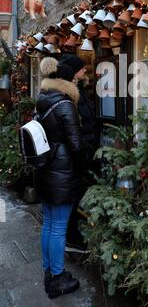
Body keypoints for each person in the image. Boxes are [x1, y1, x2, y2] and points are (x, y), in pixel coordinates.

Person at [35, 57, 83, 299]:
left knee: (49, 224)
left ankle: (47, 270)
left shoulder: (42, 100)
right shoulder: (65, 104)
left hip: (45, 168)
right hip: (61, 172)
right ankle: (57, 276)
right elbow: (76, 144)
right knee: (59, 227)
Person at [60, 54, 98, 252]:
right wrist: (83, 150)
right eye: (82, 68)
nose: (85, 71)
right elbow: (74, 128)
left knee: (77, 195)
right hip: (77, 153)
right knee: (73, 196)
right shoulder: (69, 96)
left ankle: (73, 234)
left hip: (85, 148)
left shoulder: (78, 91)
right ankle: (71, 237)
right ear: (74, 72)